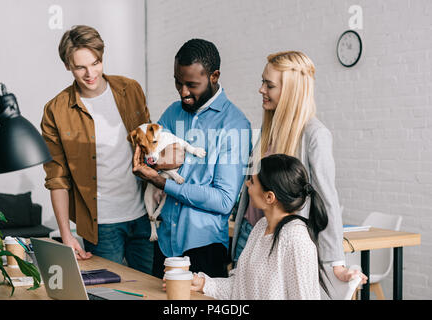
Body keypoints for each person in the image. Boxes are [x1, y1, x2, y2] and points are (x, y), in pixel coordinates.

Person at [231, 51, 368, 283]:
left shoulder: (315, 135)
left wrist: (336, 263)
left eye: (269, 84)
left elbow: (326, 201)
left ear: (291, 91)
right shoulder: (268, 128)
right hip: (250, 233)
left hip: (280, 243)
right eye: (262, 81)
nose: (261, 89)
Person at [40, 25, 156, 274]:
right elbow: (57, 179)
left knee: (153, 289)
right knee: (110, 292)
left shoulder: (130, 90)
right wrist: (66, 236)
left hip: (145, 217)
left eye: (96, 62)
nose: (90, 73)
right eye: (80, 67)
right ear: (67, 66)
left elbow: (149, 144)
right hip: (101, 226)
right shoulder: (56, 111)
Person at [133, 38, 251, 279]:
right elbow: (148, 157)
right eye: (178, 82)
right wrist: (151, 163)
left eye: (191, 85)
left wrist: (163, 182)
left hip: (204, 250)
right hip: (164, 246)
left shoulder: (235, 125)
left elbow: (224, 201)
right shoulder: (171, 112)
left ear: (214, 76)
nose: (183, 92)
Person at [178, 154, 346, 299]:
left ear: (269, 197)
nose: (247, 185)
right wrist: (204, 284)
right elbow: (241, 287)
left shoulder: (296, 240)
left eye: (252, 182)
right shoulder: (261, 227)